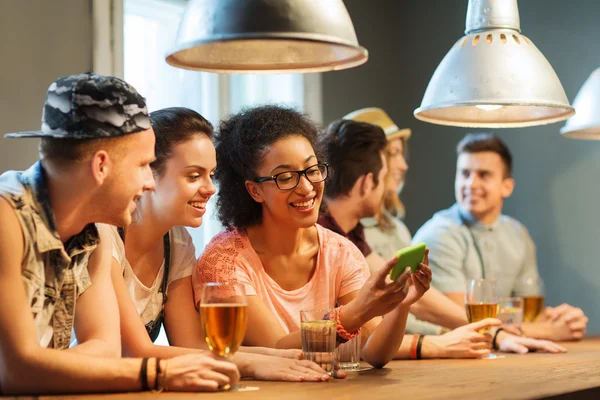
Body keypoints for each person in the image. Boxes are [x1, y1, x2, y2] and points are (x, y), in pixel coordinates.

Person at [0, 73, 240, 395]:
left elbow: (105, 350)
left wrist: (45, 367)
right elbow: (14, 370)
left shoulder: (92, 233)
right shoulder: (7, 218)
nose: (150, 182)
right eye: (143, 165)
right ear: (101, 166)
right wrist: (158, 372)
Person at [193, 105, 433, 368]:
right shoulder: (224, 261)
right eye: (285, 177)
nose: (307, 187)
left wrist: (401, 305)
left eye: (312, 170)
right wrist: (354, 313)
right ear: (254, 191)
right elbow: (278, 348)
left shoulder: (340, 251)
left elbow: (373, 352)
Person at [108, 106, 333, 383]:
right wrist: (252, 363)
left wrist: (284, 357)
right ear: (148, 173)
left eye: (211, 175)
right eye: (193, 176)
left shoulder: (177, 244)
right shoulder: (106, 237)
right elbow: (137, 351)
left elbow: (191, 345)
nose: (210, 188)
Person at [319, 116, 565, 356]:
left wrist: (495, 333)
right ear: (366, 183)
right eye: (384, 177)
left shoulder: (353, 234)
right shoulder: (322, 236)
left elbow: (401, 292)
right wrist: (438, 344)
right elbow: (365, 342)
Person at [413, 133, 588, 342]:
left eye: (483, 175)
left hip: (494, 352)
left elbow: (528, 315)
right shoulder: (438, 235)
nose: (471, 184)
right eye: (465, 173)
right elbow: (466, 319)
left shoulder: (518, 234)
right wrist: (549, 331)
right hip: (439, 356)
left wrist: (560, 319)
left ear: (507, 186)